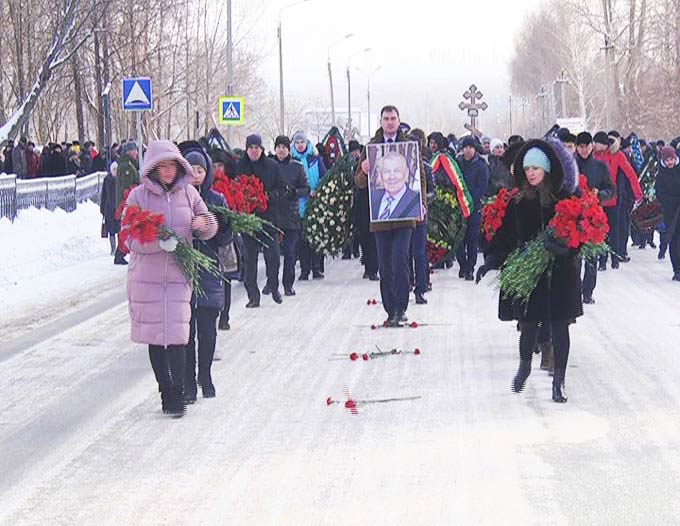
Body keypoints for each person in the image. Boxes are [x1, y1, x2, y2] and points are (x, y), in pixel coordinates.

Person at [477, 139, 582, 403]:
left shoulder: (564, 199)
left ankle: (559, 382)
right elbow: (507, 238)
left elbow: (578, 237)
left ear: (546, 168)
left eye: (536, 167)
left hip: (559, 274)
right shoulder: (519, 202)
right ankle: (524, 366)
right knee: (528, 325)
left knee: (559, 326)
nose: (531, 172)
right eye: (527, 168)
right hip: (530, 275)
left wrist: (563, 248)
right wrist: (491, 260)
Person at [124, 140, 218, 417]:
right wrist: (156, 243)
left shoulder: (188, 193)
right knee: (156, 338)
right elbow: (128, 236)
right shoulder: (138, 197)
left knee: (178, 336)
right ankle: (165, 389)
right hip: (147, 278)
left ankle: (178, 393)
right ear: (152, 168)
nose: (167, 171)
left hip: (179, 275)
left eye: (171, 166)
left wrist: (204, 225)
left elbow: (207, 220)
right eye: (161, 166)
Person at [354, 105, 427, 327]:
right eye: (386, 118)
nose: (390, 122)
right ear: (381, 121)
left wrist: (421, 203)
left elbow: (419, 176)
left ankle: (401, 306)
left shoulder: (409, 146)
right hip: (381, 218)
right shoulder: (371, 148)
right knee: (385, 264)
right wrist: (364, 171)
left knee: (400, 258)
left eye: (393, 118)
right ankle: (390, 308)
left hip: (405, 215)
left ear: (398, 120)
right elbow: (358, 182)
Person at [181, 143, 231, 402]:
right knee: (186, 332)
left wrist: (216, 225)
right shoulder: (177, 199)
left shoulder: (217, 199)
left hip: (209, 270)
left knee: (208, 329)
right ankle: (188, 384)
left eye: (200, 169)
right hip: (183, 273)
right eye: (192, 169)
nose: (196, 174)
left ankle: (206, 375)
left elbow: (226, 238)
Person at [235, 134, 287, 307]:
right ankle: (253, 296)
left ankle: (273, 285)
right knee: (249, 259)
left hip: (268, 217)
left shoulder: (272, 166)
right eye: (251, 148)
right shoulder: (239, 166)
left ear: (262, 149)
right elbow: (234, 188)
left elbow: (282, 189)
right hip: (247, 219)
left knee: (273, 255)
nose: (254, 151)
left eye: (257, 148)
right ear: (246, 149)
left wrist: (268, 197)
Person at [575, 132, 615, 304]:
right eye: (580, 147)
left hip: (594, 217)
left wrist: (600, 195)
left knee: (592, 257)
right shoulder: (570, 166)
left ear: (592, 146)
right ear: (577, 147)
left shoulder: (600, 167)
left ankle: (587, 292)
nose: (584, 150)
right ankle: (573, 290)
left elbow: (610, 189)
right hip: (573, 217)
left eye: (587, 146)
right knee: (573, 258)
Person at [273, 135, 310, 296]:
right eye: (278, 147)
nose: (281, 150)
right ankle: (271, 282)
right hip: (273, 216)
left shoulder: (297, 167)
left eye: (284, 147)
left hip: (291, 216)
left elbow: (306, 188)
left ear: (289, 149)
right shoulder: (269, 165)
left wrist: (294, 193)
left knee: (289, 253)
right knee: (272, 253)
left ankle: (288, 284)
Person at [291, 131, 327, 280]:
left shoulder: (316, 159)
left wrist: (317, 190)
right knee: (301, 239)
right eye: (297, 142)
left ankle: (317, 268)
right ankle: (304, 269)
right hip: (298, 205)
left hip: (314, 203)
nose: (300, 145)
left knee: (316, 236)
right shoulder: (292, 161)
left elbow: (324, 177)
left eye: (302, 142)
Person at [456, 136, 489, 281]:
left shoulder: (481, 165)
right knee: (458, 239)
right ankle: (463, 265)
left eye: (470, 147)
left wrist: (469, 201)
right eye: (465, 148)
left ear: (474, 149)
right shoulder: (458, 164)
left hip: (474, 207)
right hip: (459, 207)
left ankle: (470, 267)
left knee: (472, 239)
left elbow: (482, 187)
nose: (468, 150)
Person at [370, 152, 421, 220]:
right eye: (386, 171)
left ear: (406, 174)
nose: (392, 177)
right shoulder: (372, 196)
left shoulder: (417, 201)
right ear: (381, 175)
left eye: (397, 171)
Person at [655, 146, 680, 281]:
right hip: (671, 212)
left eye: (672, 159)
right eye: (667, 160)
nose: (670, 162)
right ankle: (677, 269)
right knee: (674, 241)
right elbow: (661, 195)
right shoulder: (661, 176)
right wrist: (674, 200)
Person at [114, 142, 141, 265]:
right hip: (127, 202)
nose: (137, 153)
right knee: (126, 228)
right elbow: (127, 186)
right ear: (129, 152)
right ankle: (120, 253)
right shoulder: (126, 166)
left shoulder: (128, 164)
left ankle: (121, 252)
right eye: (135, 150)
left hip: (128, 201)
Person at [100, 161, 120, 256]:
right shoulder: (107, 180)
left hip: (119, 207)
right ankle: (113, 248)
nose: (115, 171)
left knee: (120, 229)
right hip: (109, 208)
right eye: (114, 169)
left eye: (116, 169)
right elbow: (104, 194)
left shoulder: (120, 179)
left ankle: (120, 249)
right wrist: (102, 208)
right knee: (111, 230)